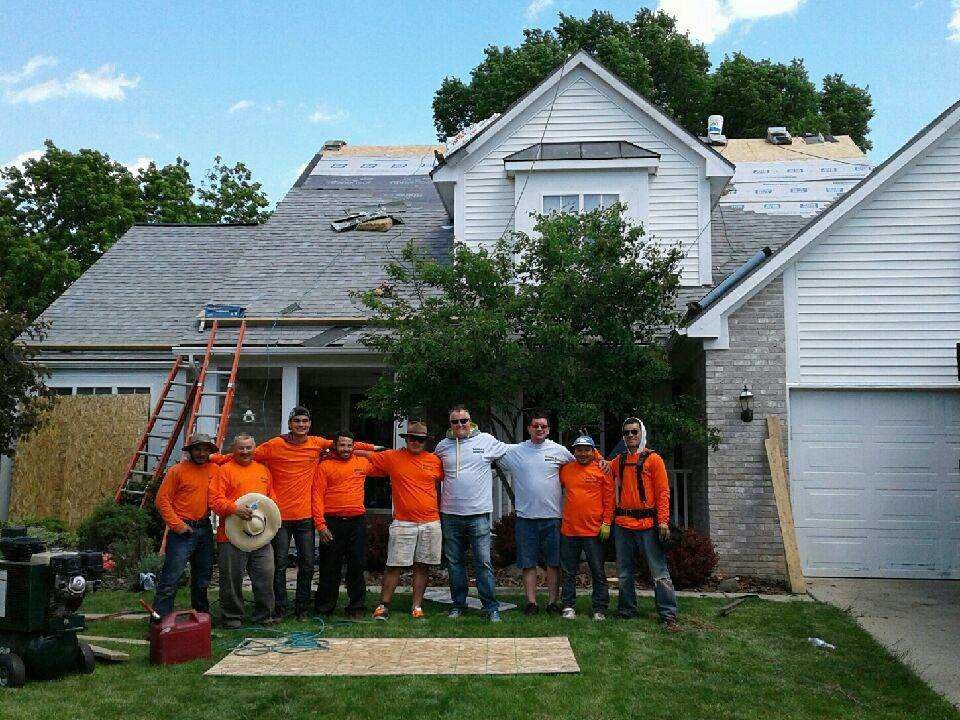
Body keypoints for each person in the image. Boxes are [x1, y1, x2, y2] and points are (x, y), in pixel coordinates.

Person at [213, 406, 377, 619]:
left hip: (305, 517)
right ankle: (280, 608)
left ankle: (302, 608)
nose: (301, 425)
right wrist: (214, 459)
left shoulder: (316, 443)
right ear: (290, 424)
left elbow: (344, 444)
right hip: (279, 518)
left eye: (305, 421)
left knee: (308, 564)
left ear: (309, 424)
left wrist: (373, 447)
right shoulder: (274, 445)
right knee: (279, 565)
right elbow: (245, 454)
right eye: (297, 421)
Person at [433, 405, 516, 622]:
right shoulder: (442, 447)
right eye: (455, 421)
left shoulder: (486, 441)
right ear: (449, 424)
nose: (460, 425)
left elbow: (515, 452)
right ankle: (458, 605)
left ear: (471, 421)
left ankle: (490, 607)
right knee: (455, 563)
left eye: (464, 420)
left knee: (483, 563)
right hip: (450, 514)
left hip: (478, 514)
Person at [363, 420, 444, 621]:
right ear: (406, 439)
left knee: (422, 565)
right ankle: (383, 605)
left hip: (430, 522)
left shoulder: (435, 461)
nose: (415, 442)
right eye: (412, 439)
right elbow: (359, 453)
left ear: (425, 441)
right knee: (394, 565)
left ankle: (417, 606)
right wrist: (365, 447)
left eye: (420, 440)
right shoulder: (392, 457)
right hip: (403, 522)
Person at [496, 411, 574, 614]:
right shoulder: (516, 451)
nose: (540, 429)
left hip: (552, 518)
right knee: (527, 562)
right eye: (536, 426)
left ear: (548, 430)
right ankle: (531, 602)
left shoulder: (559, 451)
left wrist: (600, 460)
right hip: (526, 518)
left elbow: (582, 462)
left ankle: (552, 602)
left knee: (553, 563)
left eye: (544, 426)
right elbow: (490, 452)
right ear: (529, 428)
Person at [610, 417, 678, 629]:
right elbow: (600, 466)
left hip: (648, 524)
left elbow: (663, 492)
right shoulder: (618, 461)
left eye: (634, 432)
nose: (630, 436)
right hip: (623, 524)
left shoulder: (653, 460)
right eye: (627, 432)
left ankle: (668, 614)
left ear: (642, 433)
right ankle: (626, 610)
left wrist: (663, 521)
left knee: (658, 570)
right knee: (624, 572)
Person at [208, 433, 276, 628]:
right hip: (231, 535)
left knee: (265, 575)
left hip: (260, 534)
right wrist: (235, 509)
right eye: (241, 448)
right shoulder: (224, 471)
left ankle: (265, 615)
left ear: (254, 448)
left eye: (248, 448)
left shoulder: (263, 470)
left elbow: (271, 498)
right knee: (231, 578)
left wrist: (268, 515)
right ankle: (232, 617)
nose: (245, 452)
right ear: (233, 449)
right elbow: (214, 500)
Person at [153, 433, 221, 618]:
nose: (201, 453)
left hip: (204, 528)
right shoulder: (177, 471)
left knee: (202, 578)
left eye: (205, 449)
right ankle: (159, 621)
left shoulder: (214, 470)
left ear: (210, 452)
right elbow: (161, 501)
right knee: (171, 578)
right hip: (183, 530)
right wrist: (177, 525)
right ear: (190, 451)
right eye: (197, 449)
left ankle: (201, 619)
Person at [311, 431, 372, 618]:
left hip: (357, 522)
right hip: (332, 522)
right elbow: (317, 497)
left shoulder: (362, 463)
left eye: (349, 445)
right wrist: (321, 526)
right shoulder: (325, 466)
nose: (345, 449)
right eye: (342, 445)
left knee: (357, 565)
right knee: (330, 567)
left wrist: (363, 448)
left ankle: (356, 607)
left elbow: (381, 458)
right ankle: (324, 608)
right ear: (335, 446)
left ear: (354, 446)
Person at [558, 435, 614, 621]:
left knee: (598, 571)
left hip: (594, 531)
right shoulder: (566, 470)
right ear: (574, 451)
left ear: (593, 451)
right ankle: (568, 605)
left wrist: (607, 522)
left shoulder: (602, 469)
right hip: (569, 530)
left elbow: (609, 498)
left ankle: (599, 608)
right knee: (568, 571)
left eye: (587, 449)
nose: (583, 453)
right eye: (579, 449)